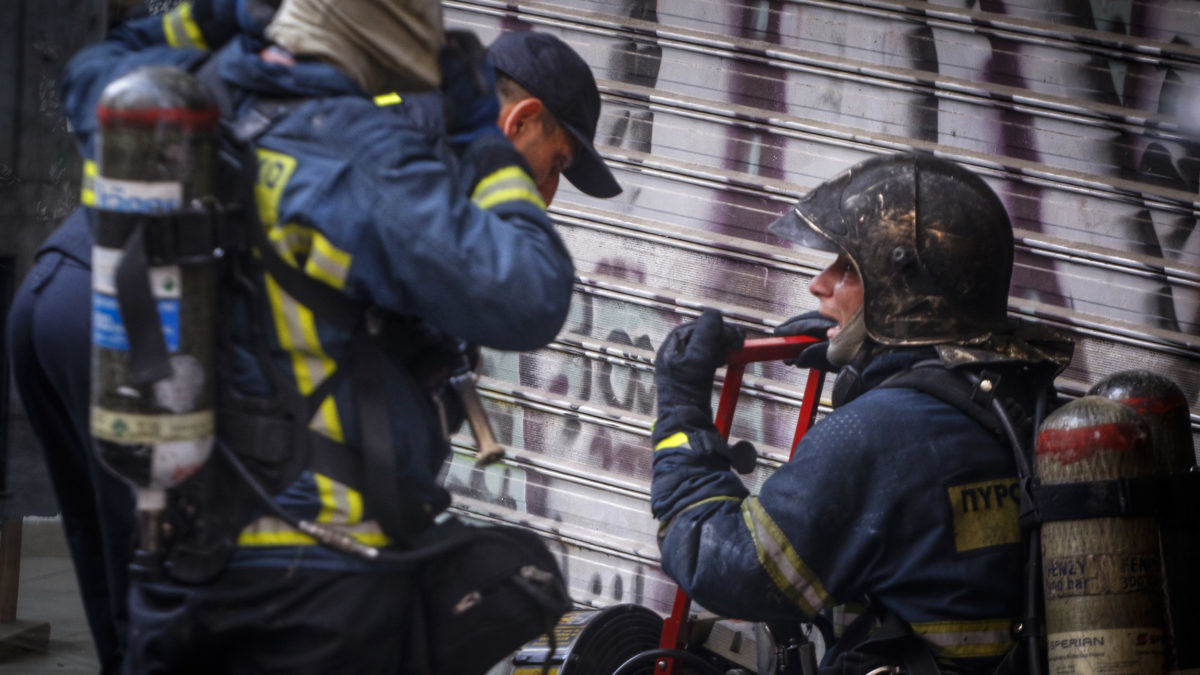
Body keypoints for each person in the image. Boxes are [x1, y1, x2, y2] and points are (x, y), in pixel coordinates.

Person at [38, 0, 589, 671]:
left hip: (185, 560)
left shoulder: (179, 103)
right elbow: (530, 294)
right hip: (311, 579)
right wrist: (485, 145)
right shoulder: (355, 153)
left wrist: (215, 16)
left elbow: (90, 70)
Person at [649, 152, 1073, 673]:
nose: (818, 284)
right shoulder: (1020, 401)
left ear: (901, 290)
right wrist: (867, 358)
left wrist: (679, 413)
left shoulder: (881, 434)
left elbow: (733, 567)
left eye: (847, 267)